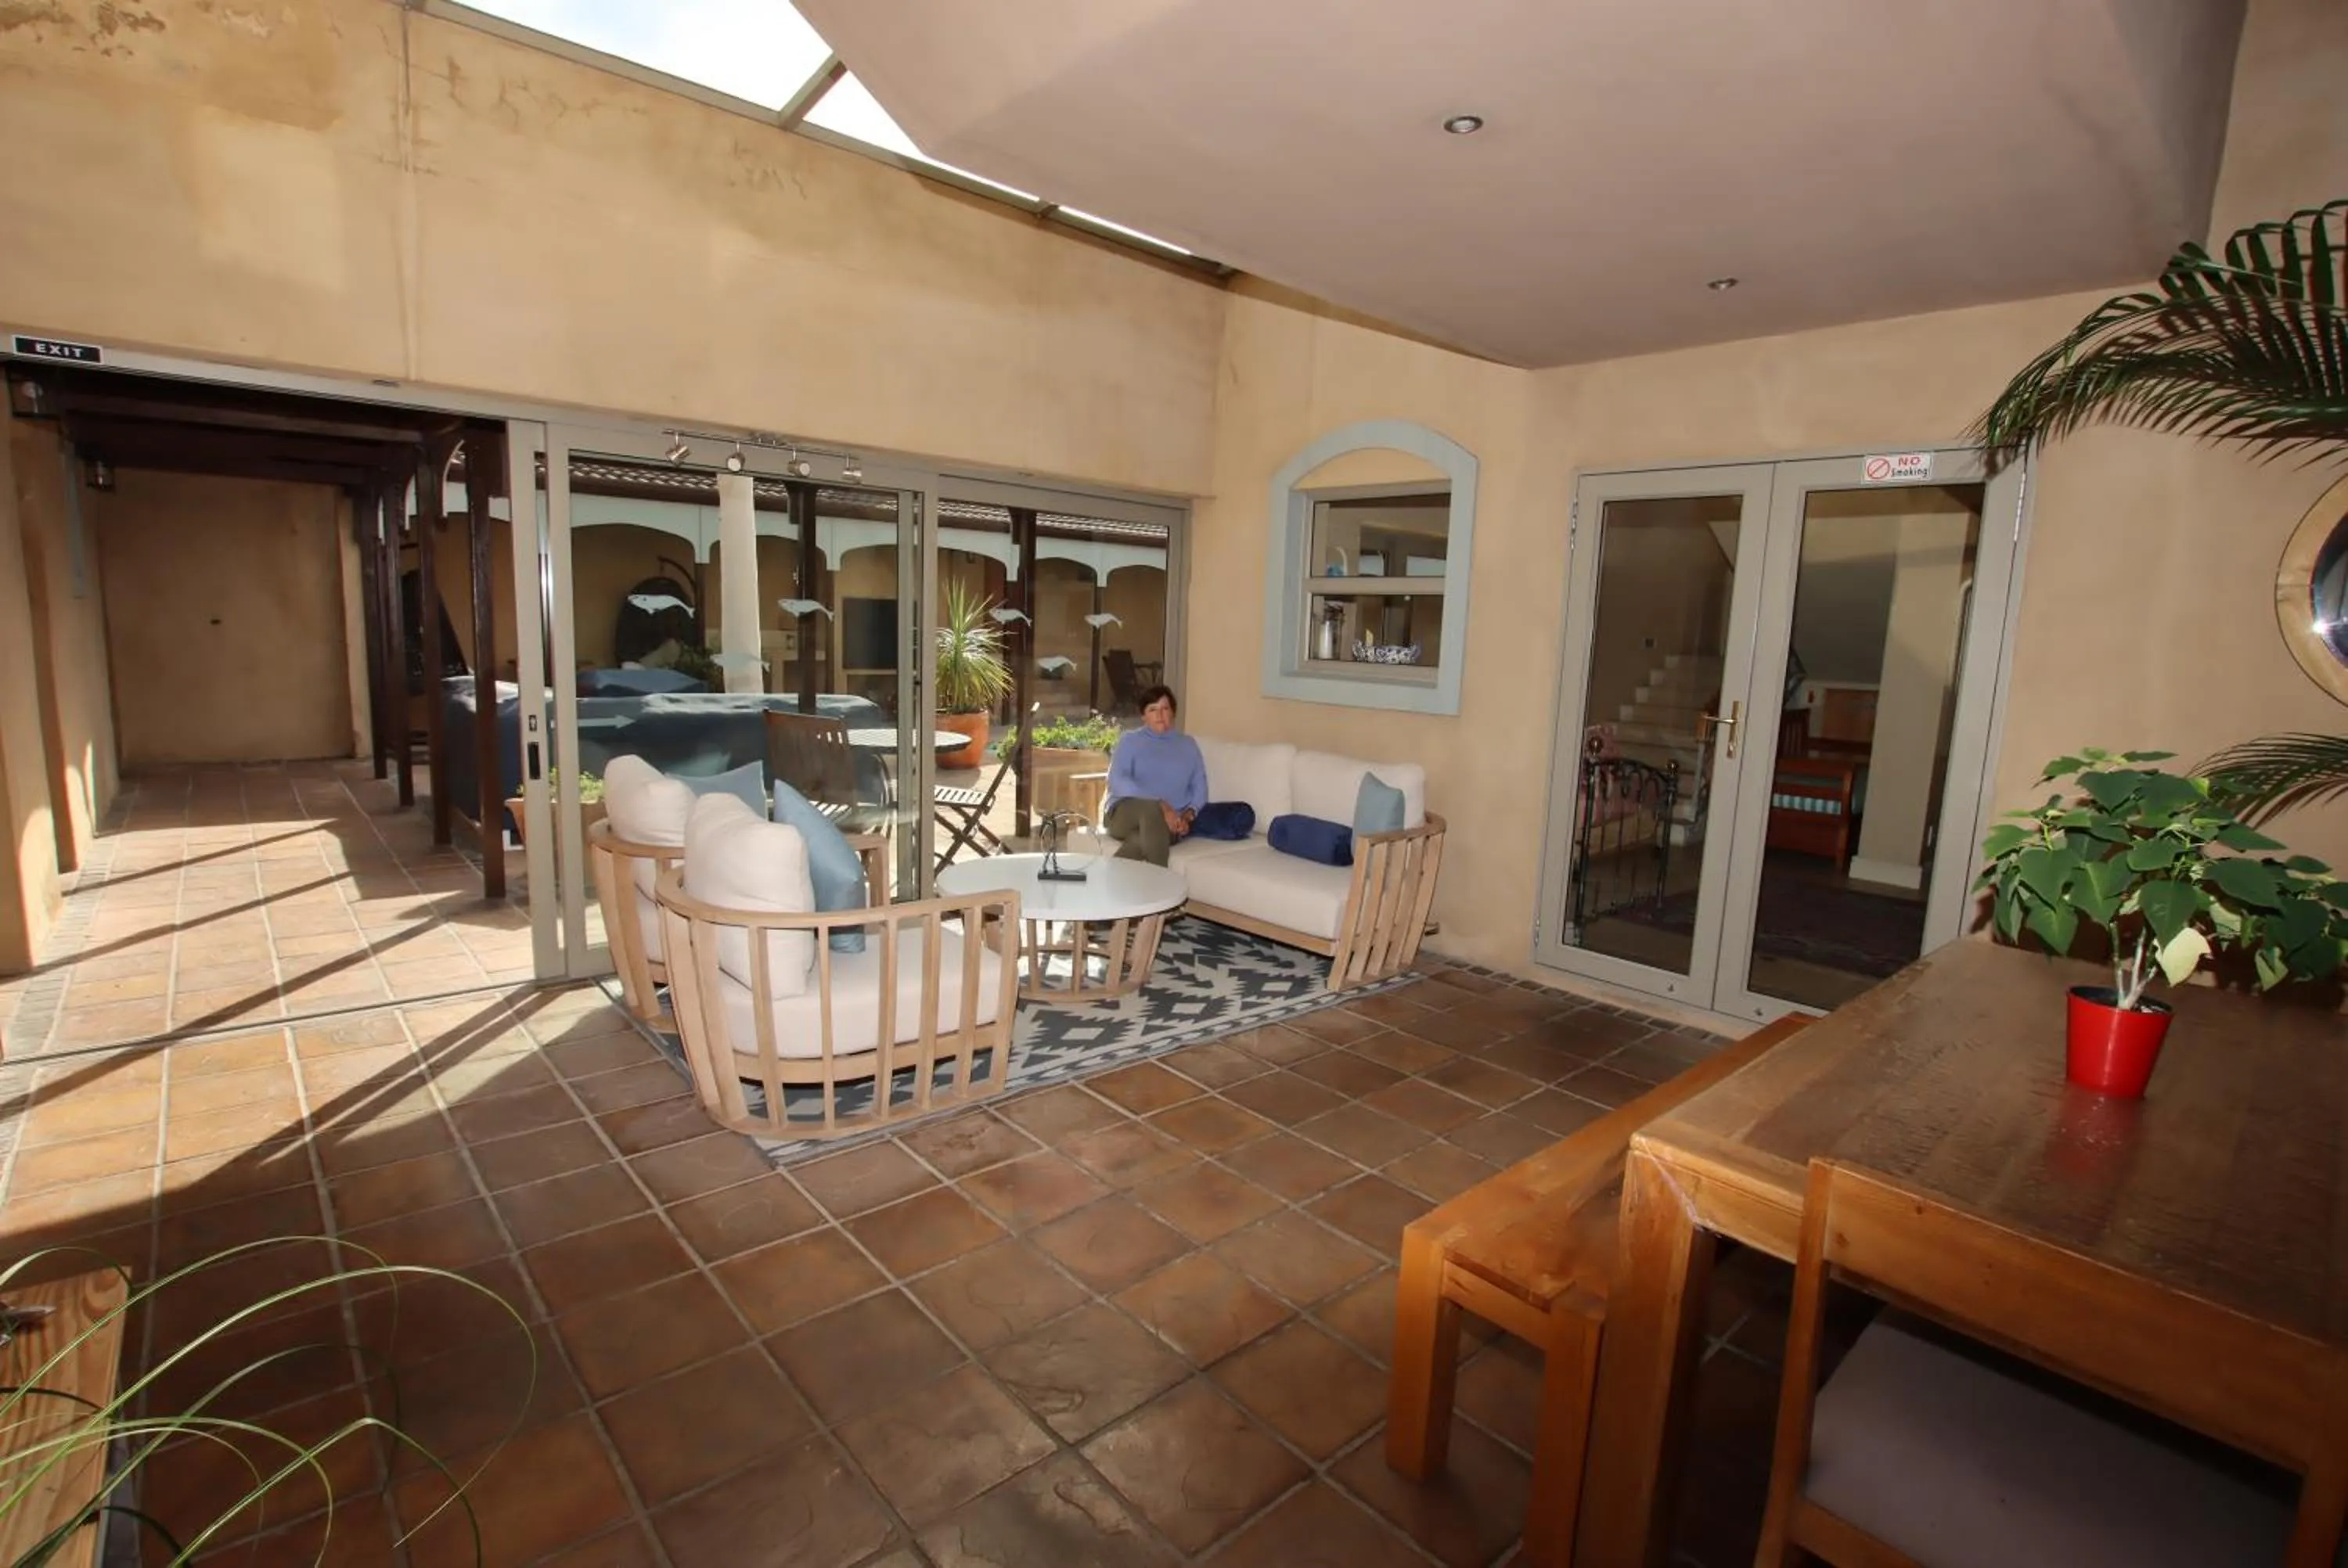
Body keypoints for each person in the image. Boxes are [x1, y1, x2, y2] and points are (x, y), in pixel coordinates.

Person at [1103, 685, 1205, 866]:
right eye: (1153, 709)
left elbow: (1200, 788)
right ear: (1143, 716)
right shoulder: (1130, 741)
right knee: (1152, 811)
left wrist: (1187, 816)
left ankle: (1108, 880)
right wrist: (1161, 804)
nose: (1160, 715)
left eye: (1165, 708)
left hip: (1169, 822)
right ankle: (1164, 885)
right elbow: (1117, 781)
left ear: (1173, 712)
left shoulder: (1188, 745)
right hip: (1123, 815)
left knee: (1140, 839)